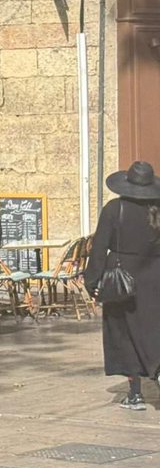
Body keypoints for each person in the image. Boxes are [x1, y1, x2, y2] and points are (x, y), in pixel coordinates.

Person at [84, 160, 160, 411]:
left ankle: (135, 393)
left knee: (124, 334)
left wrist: (92, 282)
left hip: (122, 281)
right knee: (154, 330)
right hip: (155, 279)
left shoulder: (114, 209)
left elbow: (99, 248)